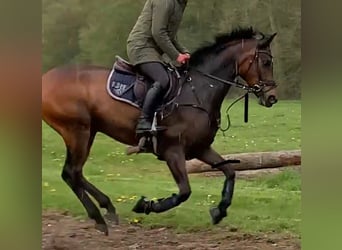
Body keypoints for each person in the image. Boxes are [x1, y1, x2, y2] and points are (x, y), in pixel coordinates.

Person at [127, 0, 190, 134]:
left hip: (154, 49)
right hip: (141, 46)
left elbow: (171, 37)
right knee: (163, 79)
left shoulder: (180, 4)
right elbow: (158, 33)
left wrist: (185, 52)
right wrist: (176, 55)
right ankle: (144, 121)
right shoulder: (165, 2)